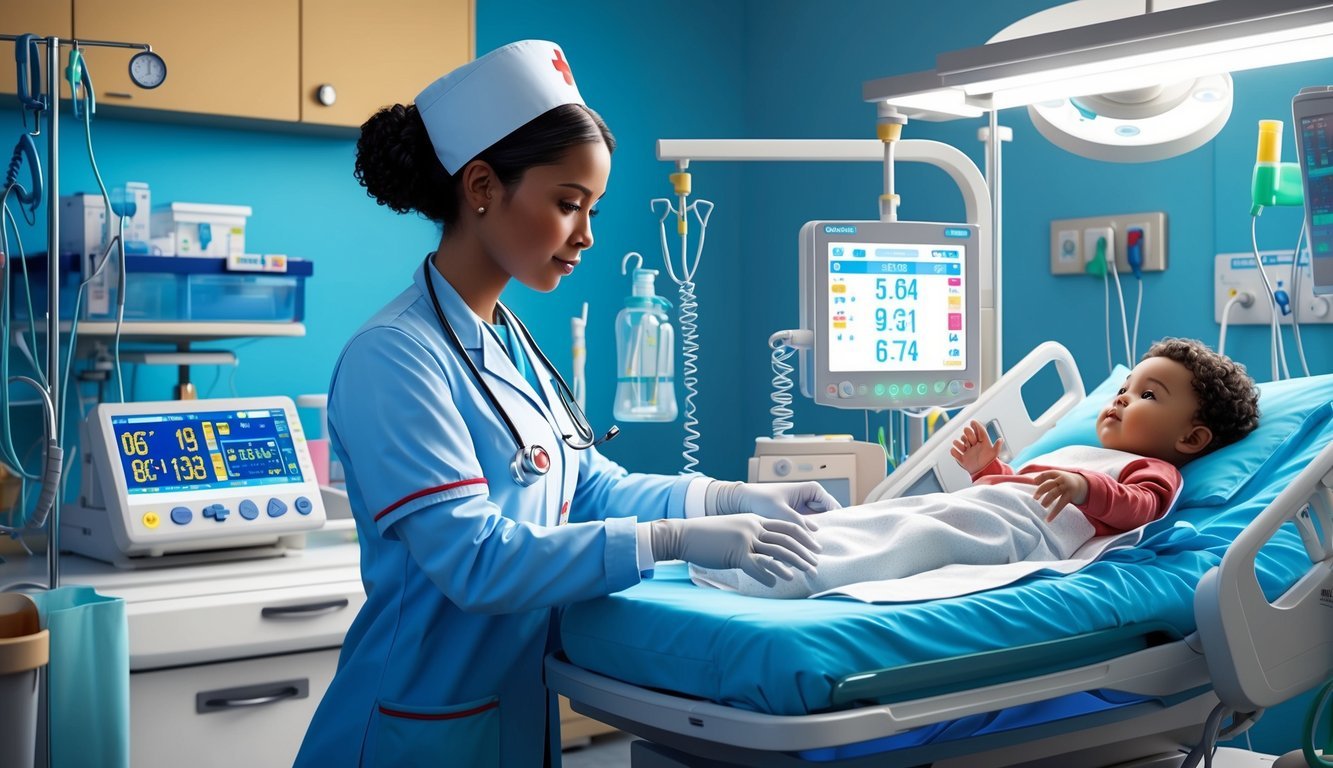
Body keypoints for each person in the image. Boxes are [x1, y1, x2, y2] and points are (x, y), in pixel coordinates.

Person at [293, 41, 838, 767]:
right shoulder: (393, 357)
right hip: (410, 728)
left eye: (592, 209)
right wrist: (670, 543)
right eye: (566, 204)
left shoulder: (511, 341)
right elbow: (475, 560)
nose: (585, 236)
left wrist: (731, 498)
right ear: (482, 185)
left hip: (507, 716)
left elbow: (590, 487)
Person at [693, 338, 1260, 599]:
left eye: (1147, 395)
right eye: (1122, 387)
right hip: (993, 508)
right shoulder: (1074, 454)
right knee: (890, 514)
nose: (1119, 399)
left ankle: (793, 574)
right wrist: (990, 468)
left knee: (916, 537)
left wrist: (1085, 488)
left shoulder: (1154, 470)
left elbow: (1137, 507)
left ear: (1191, 436)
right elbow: (1012, 490)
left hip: (1020, 533)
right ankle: (760, 544)